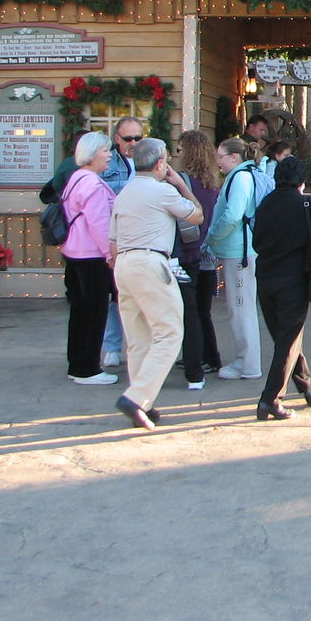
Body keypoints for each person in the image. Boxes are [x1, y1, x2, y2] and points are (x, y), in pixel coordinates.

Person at [107, 137, 202, 430]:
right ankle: (136, 398)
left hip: (123, 263)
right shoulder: (162, 191)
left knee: (138, 338)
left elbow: (112, 242)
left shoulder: (125, 192)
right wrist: (182, 185)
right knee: (170, 333)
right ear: (160, 163)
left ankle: (143, 401)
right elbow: (197, 215)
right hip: (151, 262)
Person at [252, 155, 311, 419]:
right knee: (288, 339)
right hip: (293, 281)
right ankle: (270, 399)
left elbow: (256, 242)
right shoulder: (306, 206)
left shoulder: (265, 205)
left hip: (265, 279)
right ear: (301, 181)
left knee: (284, 337)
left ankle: (307, 386)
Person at [59, 132, 118, 386]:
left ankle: (78, 363)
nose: (110, 156)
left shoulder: (76, 178)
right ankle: (88, 369)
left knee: (80, 311)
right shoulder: (92, 184)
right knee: (94, 312)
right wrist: (110, 254)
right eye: (106, 151)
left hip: (74, 253)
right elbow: (100, 224)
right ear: (93, 153)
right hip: (91, 256)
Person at [205, 136, 264, 381]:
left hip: (240, 252)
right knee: (240, 307)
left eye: (220, 156)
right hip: (240, 250)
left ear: (233, 157)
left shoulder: (240, 178)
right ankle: (244, 360)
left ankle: (247, 364)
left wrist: (212, 237)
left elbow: (232, 215)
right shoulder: (245, 175)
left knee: (241, 308)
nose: (217, 161)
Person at [176, 130, 223, 388]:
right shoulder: (212, 183)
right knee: (203, 309)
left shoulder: (183, 181)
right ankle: (210, 355)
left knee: (190, 310)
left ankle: (197, 357)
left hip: (188, 250)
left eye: (181, 149)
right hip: (208, 252)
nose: (177, 153)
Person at [98, 116, 144, 368]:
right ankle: (113, 347)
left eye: (138, 137)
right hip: (116, 238)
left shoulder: (147, 159)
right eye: (128, 138)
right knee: (115, 297)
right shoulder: (107, 163)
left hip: (143, 238)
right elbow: (106, 196)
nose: (133, 143)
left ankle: (141, 348)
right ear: (117, 139)